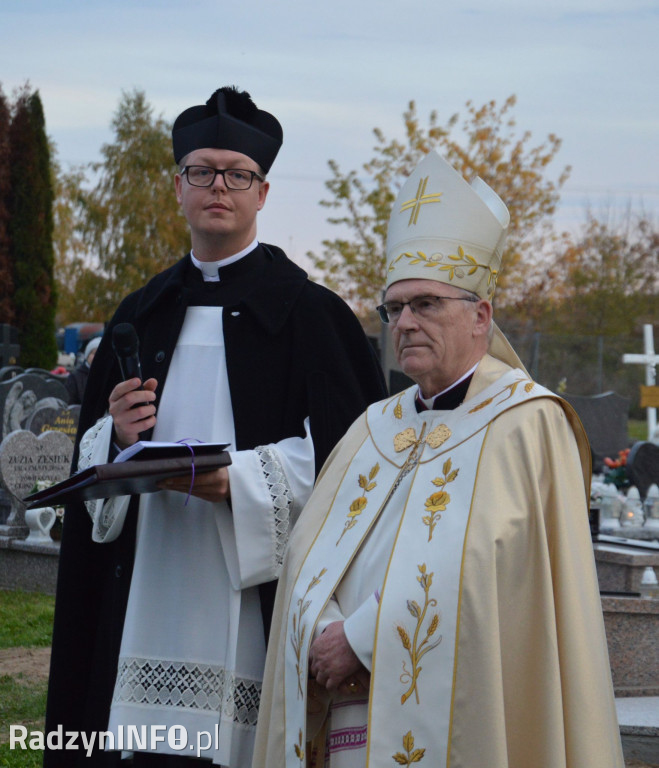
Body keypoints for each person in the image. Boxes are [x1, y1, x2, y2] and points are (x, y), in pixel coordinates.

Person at [44, 86, 386, 768]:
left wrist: (238, 481)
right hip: (145, 580)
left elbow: (353, 465)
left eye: (236, 174)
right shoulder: (141, 311)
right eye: (201, 171)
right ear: (178, 187)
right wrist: (114, 436)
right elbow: (91, 468)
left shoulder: (310, 316)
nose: (218, 187)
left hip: (247, 592)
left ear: (261, 192)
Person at [253, 151, 624, 768]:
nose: (405, 323)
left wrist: (363, 638)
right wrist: (322, 622)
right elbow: (309, 553)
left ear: (480, 316)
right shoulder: (374, 426)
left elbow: (496, 575)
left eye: (426, 304)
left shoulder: (529, 424)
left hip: (470, 723)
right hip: (347, 720)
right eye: (394, 309)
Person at [64, 335, 101, 404]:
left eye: (101, 354)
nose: (97, 357)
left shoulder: (109, 376)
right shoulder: (75, 377)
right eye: (94, 353)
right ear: (87, 356)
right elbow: (69, 401)